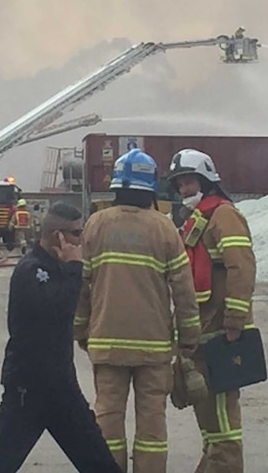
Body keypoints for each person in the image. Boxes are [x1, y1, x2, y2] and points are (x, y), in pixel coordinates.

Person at [0, 202, 123, 473]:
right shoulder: (32, 270)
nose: (81, 240)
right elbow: (57, 309)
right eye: (76, 234)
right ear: (57, 236)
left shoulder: (58, 268)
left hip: (61, 387)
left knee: (97, 459)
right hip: (29, 388)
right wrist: (75, 269)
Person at [74, 148, 200, 473]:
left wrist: (81, 330)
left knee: (107, 421)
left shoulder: (95, 225)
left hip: (106, 343)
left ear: (117, 187)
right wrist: (189, 337)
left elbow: (80, 285)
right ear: (151, 189)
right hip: (154, 349)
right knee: (152, 427)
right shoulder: (165, 229)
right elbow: (184, 290)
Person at [167, 148, 257, 473]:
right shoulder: (197, 219)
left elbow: (241, 268)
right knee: (209, 423)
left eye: (188, 181)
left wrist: (235, 321)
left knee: (222, 423)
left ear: (205, 180)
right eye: (178, 183)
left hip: (222, 335)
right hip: (202, 335)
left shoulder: (224, 215)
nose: (182, 189)